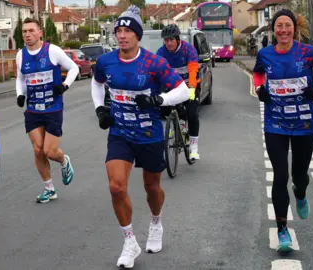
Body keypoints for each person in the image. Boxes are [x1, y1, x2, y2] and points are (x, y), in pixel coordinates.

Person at [91, 5, 189, 268]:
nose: (122, 36)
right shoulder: (105, 61)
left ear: (137, 35)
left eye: (127, 31)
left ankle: (156, 222)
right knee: (116, 186)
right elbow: (97, 83)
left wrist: (159, 99)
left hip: (149, 133)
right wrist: (101, 109)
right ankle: (129, 241)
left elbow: (183, 91)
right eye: (118, 31)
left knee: (151, 188)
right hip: (120, 133)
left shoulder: (154, 63)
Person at [253, 9, 313, 253]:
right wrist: (260, 89)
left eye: (287, 25)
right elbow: (258, 73)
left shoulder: (307, 52)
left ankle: (302, 192)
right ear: (273, 29)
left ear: (294, 28)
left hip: (304, 123)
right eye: (279, 26)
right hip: (275, 123)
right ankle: (282, 229)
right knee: (280, 175)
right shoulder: (265, 54)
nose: (283, 30)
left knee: (299, 176)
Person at [15, 18, 79, 203]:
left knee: (49, 151)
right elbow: (20, 79)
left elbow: (74, 68)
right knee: (37, 150)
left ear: (40, 32)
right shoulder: (21, 55)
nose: (27, 34)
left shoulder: (52, 51)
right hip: (33, 109)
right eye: (24, 31)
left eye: (31, 31)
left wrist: (65, 85)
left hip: (53, 107)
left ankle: (63, 160)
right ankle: (49, 188)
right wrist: (20, 94)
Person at [156, 23, 201, 160]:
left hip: (190, 84)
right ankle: (177, 124)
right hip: (172, 86)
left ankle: (193, 147)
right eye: (166, 40)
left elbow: (193, 70)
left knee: (192, 114)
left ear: (178, 39)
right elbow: (158, 73)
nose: (168, 43)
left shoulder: (189, 50)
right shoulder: (161, 52)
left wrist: (192, 89)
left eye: (171, 40)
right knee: (162, 108)